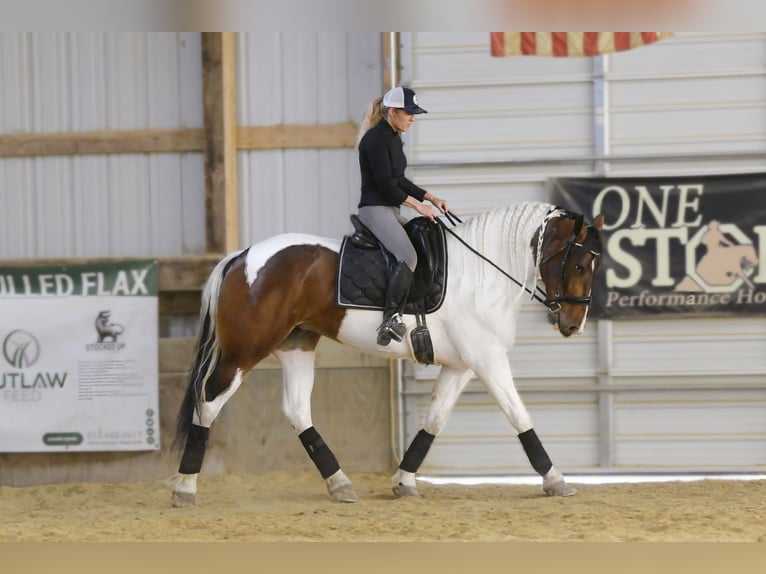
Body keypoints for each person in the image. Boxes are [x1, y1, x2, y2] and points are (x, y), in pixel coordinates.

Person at [356, 86, 449, 346]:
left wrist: (430, 197)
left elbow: (399, 180)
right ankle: (389, 318)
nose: (413, 118)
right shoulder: (375, 140)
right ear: (392, 112)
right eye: (408, 113)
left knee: (422, 245)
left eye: (414, 113)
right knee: (408, 256)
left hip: (391, 209)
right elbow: (386, 185)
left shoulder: (394, 138)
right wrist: (418, 208)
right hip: (375, 209)